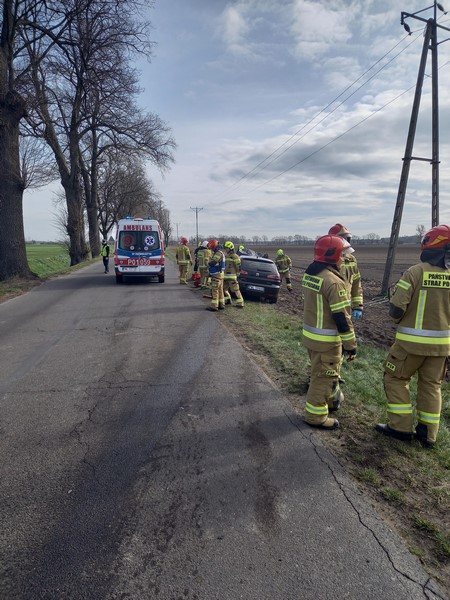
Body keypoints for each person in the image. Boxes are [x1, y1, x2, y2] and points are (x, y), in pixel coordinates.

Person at [376, 224, 450, 449]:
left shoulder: (415, 272)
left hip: (409, 346)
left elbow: (396, 309)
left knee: (395, 379)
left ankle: (400, 427)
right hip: (441, 348)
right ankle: (428, 435)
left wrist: (399, 321)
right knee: (432, 387)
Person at [301, 234, 357, 430]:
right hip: (327, 341)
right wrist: (351, 345)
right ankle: (316, 417)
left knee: (322, 373)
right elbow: (342, 318)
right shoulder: (333, 282)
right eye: (341, 255)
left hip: (312, 337)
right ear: (332, 256)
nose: (343, 259)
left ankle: (332, 401)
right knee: (323, 378)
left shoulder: (311, 274)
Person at [328, 224, 363, 320]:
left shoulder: (351, 259)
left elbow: (356, 283)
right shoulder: (325, 259)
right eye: (342, 239)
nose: (345, 242)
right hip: (329, 307)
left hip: (346, 306)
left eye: (347, 239)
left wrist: (358, 306)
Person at [223, 241, 244, 308]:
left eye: (227, 248)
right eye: (225, 248)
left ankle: (240, 303)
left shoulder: (235, 256)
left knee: (236, 289)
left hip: (232, 276)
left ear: (231, 248)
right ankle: (228, 300)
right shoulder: (226, 256)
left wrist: (238, 273)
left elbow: (238, 266)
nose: (226, 249)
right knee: (224, 289)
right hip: (225, 276)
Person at [206, 239, 226, 311]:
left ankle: (214, 306)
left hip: (216, 275)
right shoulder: (220, 253)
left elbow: (213, 262)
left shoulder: (218, 253)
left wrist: (208, 263)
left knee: (215, 291)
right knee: (220, 291)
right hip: (220, 275)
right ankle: (221, 304)